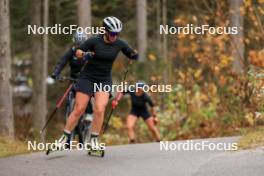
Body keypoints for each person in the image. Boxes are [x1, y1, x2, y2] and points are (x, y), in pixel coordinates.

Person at [49, 16, 138, 152]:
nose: (115, 36)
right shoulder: (94, 40)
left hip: (104, 79)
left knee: (99, 109)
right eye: (113, 33)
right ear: (105, 31)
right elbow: (78, 52)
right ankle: (64, 138)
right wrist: (85, 55)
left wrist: (134, 55)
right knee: (79, 109)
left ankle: (94, 141)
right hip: (87, 78)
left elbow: (130, 53)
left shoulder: (120, 43)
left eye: (117, 33)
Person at [51, 31, 93, 145]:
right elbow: (62, 62)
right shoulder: (71, 52)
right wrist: (56, 73)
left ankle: (89, 114)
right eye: (77, 44)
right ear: (74, 43)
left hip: (86, 79)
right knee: (70, 99)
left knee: (86, 95)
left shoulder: (88, 53)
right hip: (73, 79)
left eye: (82, 44)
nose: (79, 47)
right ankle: (69, 131)